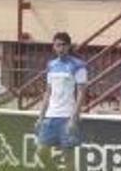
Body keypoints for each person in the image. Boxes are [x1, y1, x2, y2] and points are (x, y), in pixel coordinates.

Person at [34, 32, 87, 171]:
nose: (61, 48)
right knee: (41, 151)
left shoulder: (78, 65)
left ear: (69, 46)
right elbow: (48, 92)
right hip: (51, 116)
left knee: (68, 159)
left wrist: (73, 118)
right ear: (54, 47)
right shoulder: (51, 65)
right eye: (58, 45)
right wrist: (40, 117)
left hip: (67, 116)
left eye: (64, 45)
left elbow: (82, 92)